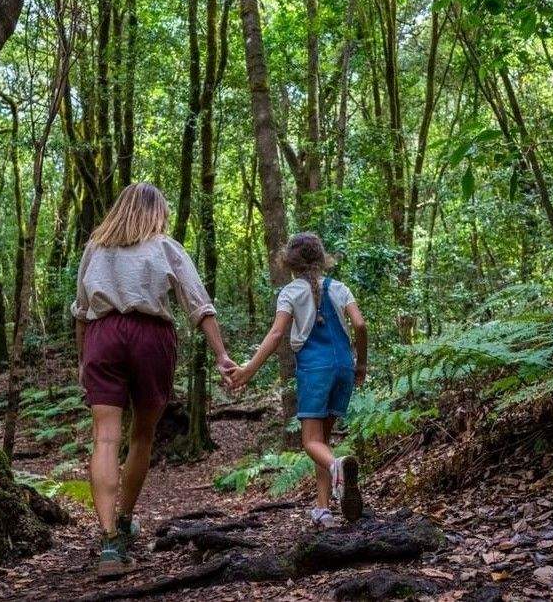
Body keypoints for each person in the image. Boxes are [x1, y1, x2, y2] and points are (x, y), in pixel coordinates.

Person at [72, 182, 237, 578]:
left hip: (102, 337)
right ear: (156, 212)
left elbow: (81, 311)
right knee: (142, 434)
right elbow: (199, 305)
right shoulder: (165, 247)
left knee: (105, 437)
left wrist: (82, 361)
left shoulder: (95, 248)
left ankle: (110, 540)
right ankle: (126, 518)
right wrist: (221, 354)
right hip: (151, 338)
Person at [224, 232, 368, 527]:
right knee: (323, 440)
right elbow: (360, 325)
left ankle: (337, 466)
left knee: (310, 441)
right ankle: (323, 510)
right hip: (343, 366)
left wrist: (248, 370)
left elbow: (277, 334)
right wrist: (361, 363)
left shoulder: (291, 292)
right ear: (321, 259)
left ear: (290, 262)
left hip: (315, 369)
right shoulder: (340, 288)